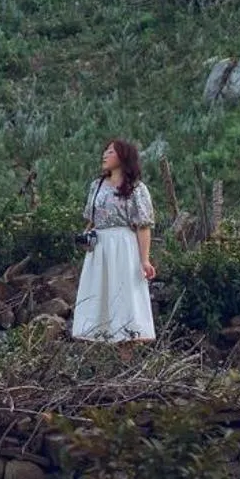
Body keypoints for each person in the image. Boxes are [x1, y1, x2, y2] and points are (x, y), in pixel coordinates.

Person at [70, 138, 156, 350]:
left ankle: (125, 356)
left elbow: (143, 226)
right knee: (98, 297)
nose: (105, 155)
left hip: (124, 247)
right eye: (105, 151)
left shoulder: (136, 188)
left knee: (124, 299)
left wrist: (144, 260)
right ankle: (98, 357)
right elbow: (90, 218)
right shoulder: (96, 185)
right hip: (100, 248)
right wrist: (86, 236)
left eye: (111, 152)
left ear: (123, 156)